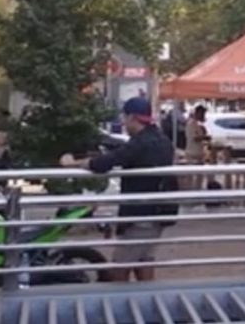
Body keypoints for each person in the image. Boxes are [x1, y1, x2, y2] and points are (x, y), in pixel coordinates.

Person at [60, 97, 176, 282]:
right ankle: (148, 297)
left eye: (124, 117)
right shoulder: (162, 140)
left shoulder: (140, 143)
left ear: (131, 117)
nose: (123, 122)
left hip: (141, 215)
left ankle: (117, 298)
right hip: (158, 211)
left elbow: (105, 163)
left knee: (119, 265)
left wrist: (73, 163)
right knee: (144, 260)